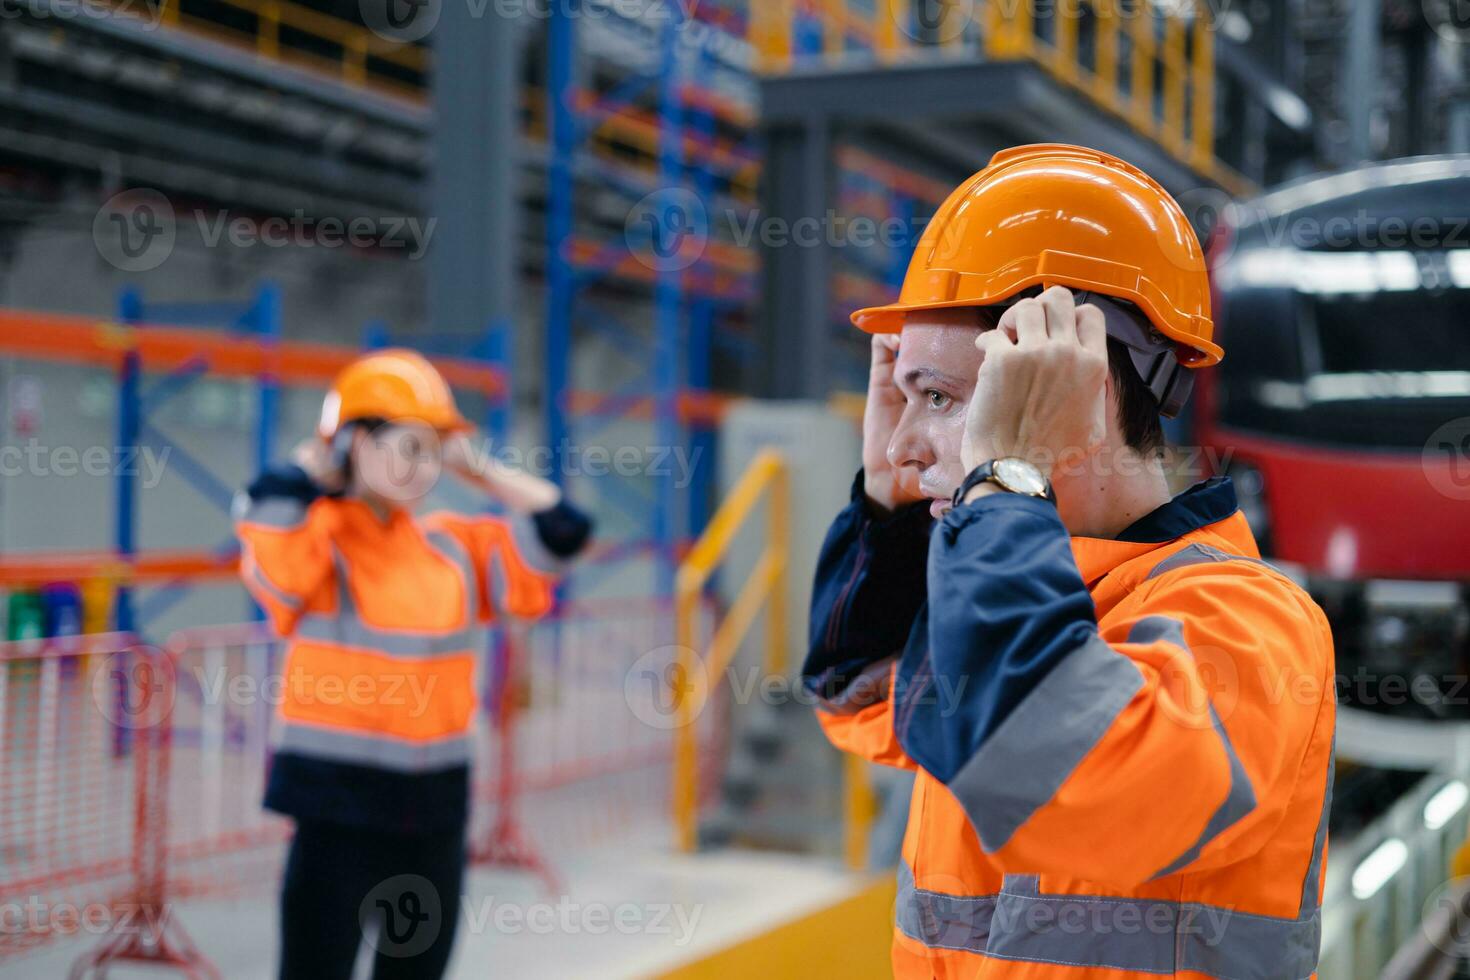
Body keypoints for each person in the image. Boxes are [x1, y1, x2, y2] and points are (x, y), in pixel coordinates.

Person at [803, 145, 1335, 977]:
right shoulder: (1041, 586)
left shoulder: (1250, 623)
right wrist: (890, 501)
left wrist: (1007, 475)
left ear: (1075, 386)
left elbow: (1049, 767)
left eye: (938, 398)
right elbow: (863, 693)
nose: (906, 442)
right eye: (906, 397)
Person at [234, 349, 592, 980]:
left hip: (431, 816)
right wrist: (320, 460)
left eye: (431, 452)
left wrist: (472, 464)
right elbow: (266, 514)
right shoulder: (319, 542)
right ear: (353, 443)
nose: (421, 467)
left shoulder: (454, 545)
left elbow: (564, 529)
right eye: (407, 446)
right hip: (334, 809)